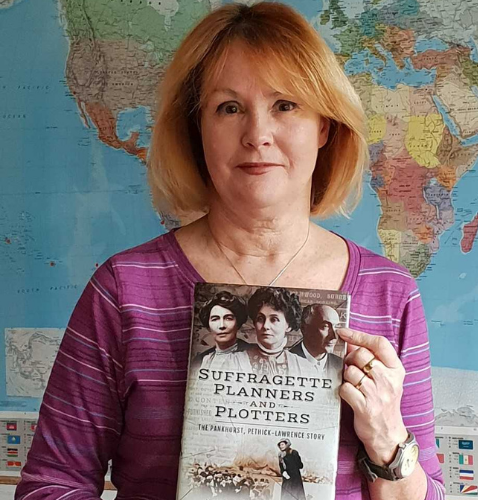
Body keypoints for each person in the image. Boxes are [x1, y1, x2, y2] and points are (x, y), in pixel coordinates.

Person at [15, 2, 445, 500]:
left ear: (325, 126)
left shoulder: (391, 294)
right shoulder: (123, 289)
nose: (257, 135)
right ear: (198, 131)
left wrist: (387, 440)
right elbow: (52, 484)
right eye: (229, 107)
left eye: (286, 105)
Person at [225, 287, 313, 376]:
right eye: (260, 319)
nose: (266, 326)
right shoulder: (234, 362)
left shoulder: (304, 367)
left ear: (288, 325)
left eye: (274, 319)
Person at [193, 290, 250, 370]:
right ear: (208, 325)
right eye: (215, 319)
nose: (221, 326)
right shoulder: (200, 361)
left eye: (228, 318)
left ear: (238, 323)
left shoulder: (256, 353)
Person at [291, 304, 343, 380]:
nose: (334, 337)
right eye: (325, 327)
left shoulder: (339, 364)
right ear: (304, 329)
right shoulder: (285, 361)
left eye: (336, 327)